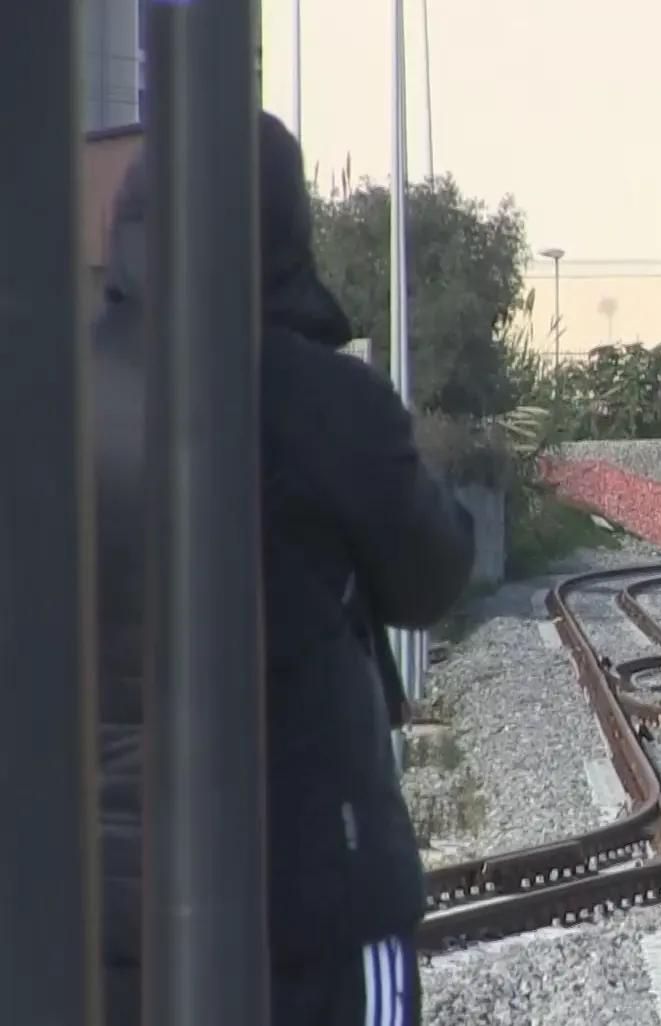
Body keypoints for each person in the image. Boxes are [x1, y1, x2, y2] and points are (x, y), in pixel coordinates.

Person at [92, 111, 475, 1026]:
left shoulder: (46, 392)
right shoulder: (316, 398)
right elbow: (433, 572)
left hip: (94, 910)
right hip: (305, 898)